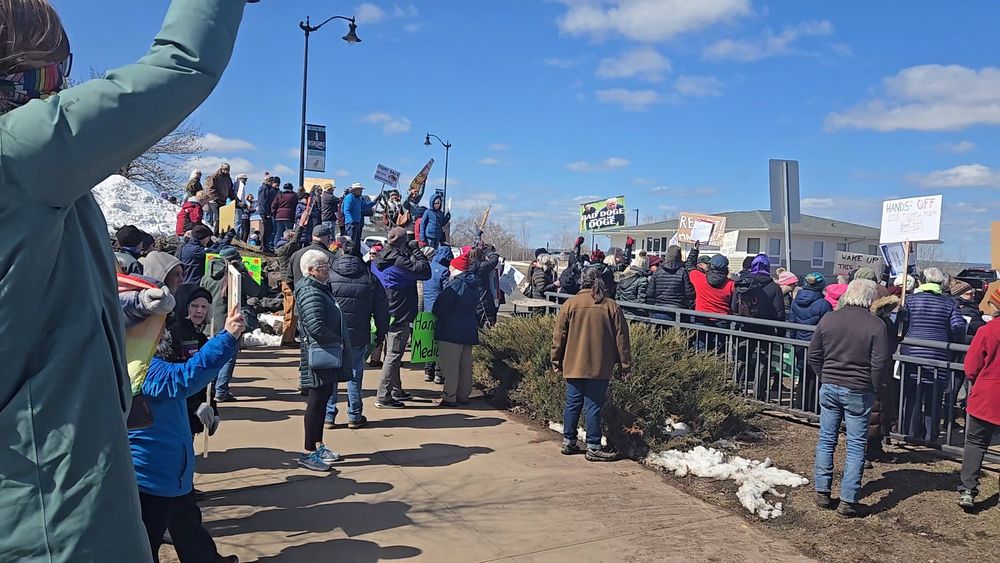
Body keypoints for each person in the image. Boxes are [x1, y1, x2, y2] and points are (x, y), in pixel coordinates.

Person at [0, 2, 248, 556]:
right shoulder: (18, 158)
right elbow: (181, 65)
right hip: (57, 520)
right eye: (52, 73)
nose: (59, 91)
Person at [129, 304, 243, 563]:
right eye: (158, 325)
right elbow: (182, 379)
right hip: (151, 475)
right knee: (145, 547)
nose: (165, 331)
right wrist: (226, 338)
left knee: (185, 522)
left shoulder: (141, 360)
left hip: (167, 472)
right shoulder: (140, 365)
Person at [809, 279, 889, 518]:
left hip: (831, 385)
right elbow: (880, 362)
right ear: (870, 298)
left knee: (826, 439)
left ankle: (822, 490)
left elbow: (814, 354)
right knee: (855, 446)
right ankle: (848, 500)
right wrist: (872, 386)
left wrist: (825, 375)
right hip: (859, 389)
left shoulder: (829, 319)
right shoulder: (877, 325)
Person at [552, 267, 632, 462]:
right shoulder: (611, 306)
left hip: (573, 363)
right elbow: (622, 339)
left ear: (582, 281)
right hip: (600, 366)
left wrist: (556, 360)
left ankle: (568, 441)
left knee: (572, 403)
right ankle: (593, 446)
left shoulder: (570, 304)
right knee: (593, 405)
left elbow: (558, 336)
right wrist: (625, 366)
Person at [295, 249, 354, 471]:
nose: (327, 271)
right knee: (316, 402)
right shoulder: (310, 291)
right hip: (321, 355)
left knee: (322, 400)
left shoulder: (319, 288)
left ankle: (318, 446)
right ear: (311, 270)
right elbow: (315, 325)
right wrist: (336, 340)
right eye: (323, 267)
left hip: (327, 354)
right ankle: (309, 452)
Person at [325, 238, 389, 429]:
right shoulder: (370, 278)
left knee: (331, 374)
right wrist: (380, 333)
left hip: (332, 333)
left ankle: (329, 415)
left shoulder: (328, 275)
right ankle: (354, 415)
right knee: (354, 374)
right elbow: (381, 309)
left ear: (342, 252)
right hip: (358, 334)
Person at [899, 267, 967, 442]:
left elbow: (902, 324)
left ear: (922, 281)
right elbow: (958, 327)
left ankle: (910, 433)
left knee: (912, 396)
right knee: (934, 398)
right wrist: (954, 343)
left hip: (912, 354)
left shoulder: (910, 301)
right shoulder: (949, 303)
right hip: (938, 356)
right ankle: (931, 435)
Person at [372, 227, 431, 408]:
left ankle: (396, 390)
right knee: (394, 355)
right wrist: (416, 250)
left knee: (391, 353)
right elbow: (425, 272)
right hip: (399, 312)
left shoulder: (378, 260)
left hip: (384, 311)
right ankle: (383, 396)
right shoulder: (400, 262)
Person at [202, 246, 263, 402]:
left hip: (210, 321)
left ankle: (212, 386)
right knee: (228, 356)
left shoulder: (208, 273)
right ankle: (221, 390)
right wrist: (243, 271)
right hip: (229, 321)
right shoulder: (236, 275)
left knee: (212, 354)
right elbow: (256, 290)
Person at [958, 286, 1000, 511]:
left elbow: (971, 366)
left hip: (985, 395)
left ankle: (967, 490)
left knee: (975, 443)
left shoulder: (987, 331)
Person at [433, 250, 482, 406]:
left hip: (451, 329)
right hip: (468, 329)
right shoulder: (473, 284)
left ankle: (449, 396)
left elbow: (439, 306)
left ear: (455, 268)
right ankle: (463, 395)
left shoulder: (454, 284)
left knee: (450, 365)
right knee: (465, 366)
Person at [422, 245, 453, 383]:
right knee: (441, 342)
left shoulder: (427, 268)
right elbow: (447, 291)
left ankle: (428, 371)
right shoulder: (444, 271)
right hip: (440, 310)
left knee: (429, 342)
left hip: (427, 308)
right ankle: (439, 373)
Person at [645, 245, 695, 320]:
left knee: (660, 331)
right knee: (678, 332)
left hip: (660, 309)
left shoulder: (658, 271)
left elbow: (649, 293)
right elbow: (690, 294)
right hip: (679, 311)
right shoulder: (682, 271)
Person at [275, 228, 302, 347]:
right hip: (288, 282)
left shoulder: (283, 248)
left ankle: (289, 337)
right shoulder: (284, 249)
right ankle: (287, 339)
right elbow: (294, 242)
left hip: (286, 282)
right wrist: (301, 227)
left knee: (290, 310)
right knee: (290, 310)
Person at [789, 273, 833, 341]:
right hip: (816, 343)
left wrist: (793, 340)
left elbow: (792, 322)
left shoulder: (794, 301)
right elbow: (827, 328)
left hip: (798, 341)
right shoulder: (824, 304)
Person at [343, 182, 376, 255]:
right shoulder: (349, 197)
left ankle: (356, 255)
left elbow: (365, 206)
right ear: (354, 190)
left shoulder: (359, 199)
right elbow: (346, 210)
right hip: (351, 223)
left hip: (357, 222)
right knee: (350, 241)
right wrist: (351, 220)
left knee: (357, 241)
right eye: (359, 190)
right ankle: (348, 255)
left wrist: (374, 202)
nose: (361, 191)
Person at [204, 163, 233, 235]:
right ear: (221, 169)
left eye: (227, 170)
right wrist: (216, 198)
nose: (226, 171)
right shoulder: (215, 176)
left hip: (223, 200)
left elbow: (230, 190)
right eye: (225, 170)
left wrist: (234, 199)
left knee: (223, 218)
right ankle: (215, 234)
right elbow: (211, 189)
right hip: (214, 200)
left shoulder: (228, 178)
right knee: (218, 218)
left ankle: (221, 234)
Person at [271, 182, 298, 249]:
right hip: (289, 216)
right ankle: (287, 247)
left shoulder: (279, 195)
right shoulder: (294, 196)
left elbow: (273, 205)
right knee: (289, 233)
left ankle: (276, 246)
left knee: (278, 233)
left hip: (279, 216)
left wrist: (274, 214)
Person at [257, 176, 279, 253]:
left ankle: (264, 245)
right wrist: (266, 212)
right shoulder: (264, 188)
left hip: (265, 211)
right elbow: (263, 201)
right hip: (265, 212)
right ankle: (264, 246)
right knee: (267, 228)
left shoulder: (266, 188)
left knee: (268, 228)